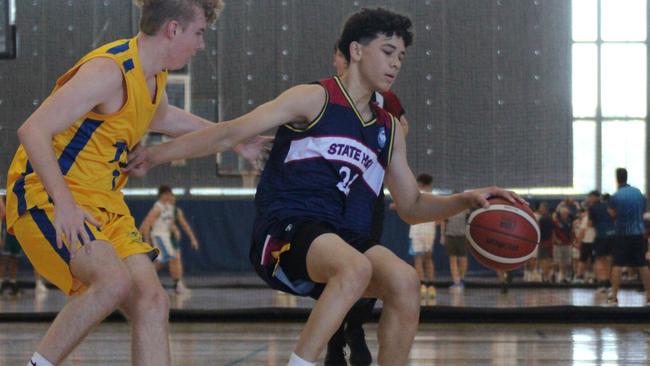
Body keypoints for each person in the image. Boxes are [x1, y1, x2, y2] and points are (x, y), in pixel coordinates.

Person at [125, 8, 523, 365]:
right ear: (355, 50)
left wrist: (467, 200)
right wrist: (157, 156)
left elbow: (412, 204)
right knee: (355, 266)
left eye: (401, 56)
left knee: (404, 280)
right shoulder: (314, 98)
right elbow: (230, 133)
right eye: (387, 51)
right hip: (286, 231)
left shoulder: (388, 130)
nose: (396, 63)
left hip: (343, 238)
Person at [3, 2, 264, 365]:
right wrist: (65, 204)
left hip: (105, 203)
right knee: (112, 281)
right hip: (48, 195)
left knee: (152, 302)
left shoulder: (153, 77)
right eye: (199, 33)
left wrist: (232, 137)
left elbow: (166, 118)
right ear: (173, 29)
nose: (201, 45)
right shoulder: (108, 71)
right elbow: (32, 130)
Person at [325, 42, 410, 366]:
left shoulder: (386, 102)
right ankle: (334, 340)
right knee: (333, 268)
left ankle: (355, 327)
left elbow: (402, 128)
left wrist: (387, 159)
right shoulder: (323, 97)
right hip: (331, 195)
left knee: (370, 264)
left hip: (368, 196)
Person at [139, 185, 199, 294]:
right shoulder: (158, 208)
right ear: (163, 195)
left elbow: (181, 224)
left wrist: (175, 229)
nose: (170, 196)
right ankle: (141, 282)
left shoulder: (169, 208)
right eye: (168, 194)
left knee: (164, 262)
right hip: (158, 236)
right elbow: (145, 225)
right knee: (172, 258)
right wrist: (146, 242)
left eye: (171, 195)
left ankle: (176, 284)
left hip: (165, 237)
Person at [607, 168, 650, 305]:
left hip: (622, 234)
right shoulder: (638, 193)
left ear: (617, 178)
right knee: (642, 265)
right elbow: (643, 210)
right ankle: (649, 296)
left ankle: (613, 296)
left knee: (618, 265)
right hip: (638, 234)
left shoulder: (616, 196)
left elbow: (613, 215)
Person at [409, 174, 437, 298]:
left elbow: (398, 206)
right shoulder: (434, 198)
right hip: (429, 231)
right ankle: (431, 286)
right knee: (429, 259)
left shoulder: (416, 196)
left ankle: (422, 286)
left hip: (417, 230)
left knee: (418, 261)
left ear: (419, 183)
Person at [587, 190, 615, 293]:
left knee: (599, 260)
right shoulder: (607, 206)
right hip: (612, 234)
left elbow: (590, 224)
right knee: (609, 259)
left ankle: (602, 283)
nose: (588, 199)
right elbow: (614, 217)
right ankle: (609, 283)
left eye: (589, 197)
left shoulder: (592, 207)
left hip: (601, 236)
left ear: (595, 197)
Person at [441, 206, 468, 291]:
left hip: (462, 236)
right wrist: (442, 236)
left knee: (463, 259)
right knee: (452, 259)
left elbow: (470, 222)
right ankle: (455, 282)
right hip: (450, 235)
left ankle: (461, 279)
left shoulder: (465, 209)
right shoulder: (449, 209)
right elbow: (443, 222)